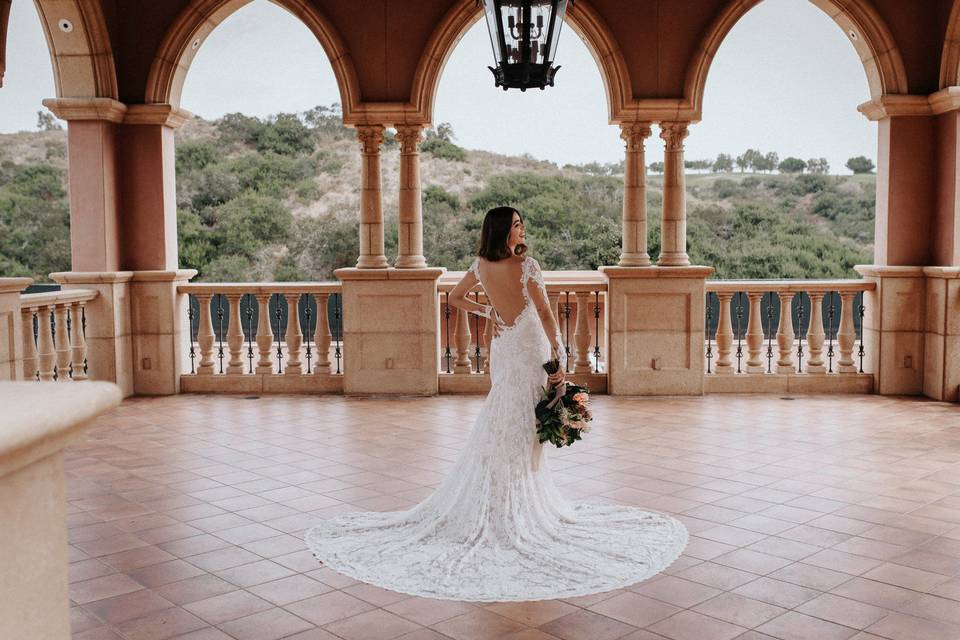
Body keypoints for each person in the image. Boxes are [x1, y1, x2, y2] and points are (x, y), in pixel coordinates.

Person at [304, 206, 688, 602]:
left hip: (504, 346)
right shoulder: (527, 267)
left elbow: (455, 297)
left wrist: (489, 310)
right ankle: (515, 505)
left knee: (507, 414)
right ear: (505, 231)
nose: (523, 228)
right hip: (528, 346)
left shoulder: (481, 265)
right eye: (518, 224)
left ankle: (500, 495)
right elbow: (543, 312)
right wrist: (558, 354)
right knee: (524, 422)